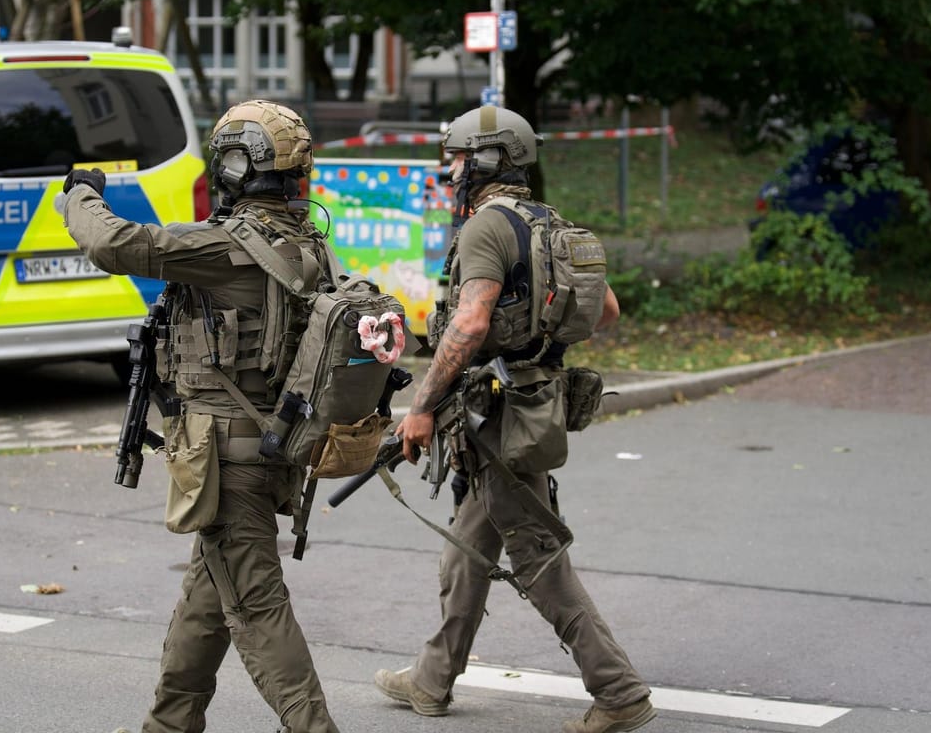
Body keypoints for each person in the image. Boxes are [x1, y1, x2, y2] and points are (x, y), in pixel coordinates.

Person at [61, 100, 341, 733]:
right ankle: (169, 724)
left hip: (227, 458)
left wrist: (81, 193)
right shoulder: (307, 246)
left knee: (257, 608)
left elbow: (112, 242)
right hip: (271, 447)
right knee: (205, 605)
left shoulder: (226, 246)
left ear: (237, 164)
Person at [373, 106, 654, 733]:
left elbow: (470, 324)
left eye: (456, 159)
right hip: (530, 403)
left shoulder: (484, 228)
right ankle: (432, 678)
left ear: (486, 160)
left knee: (537, 556)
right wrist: (538, 339)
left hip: (494, 417)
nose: (449, 173)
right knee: (469, 548)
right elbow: (605, 309)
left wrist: (419, 409)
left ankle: (618, 690)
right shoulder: (550, 223)